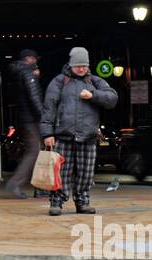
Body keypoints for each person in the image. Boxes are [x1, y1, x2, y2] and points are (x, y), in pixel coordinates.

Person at [41, 47, 118, 216]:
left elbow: (112, 98)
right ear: (71, 64)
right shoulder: (59, 82)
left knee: (86, 172)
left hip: (88, 136)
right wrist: (47, 133)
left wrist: (93, 95)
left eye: (84, 65)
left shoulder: (95, 82)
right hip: (63, 135)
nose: (81, 69)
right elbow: (49, 108)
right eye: (78, 65)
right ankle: (56, 202)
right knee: (61, 172)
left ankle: (83, 201)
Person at [3, 49, 45, 199]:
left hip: (23, 116)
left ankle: (40, 186)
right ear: (29, 59)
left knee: (35, 151)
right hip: (32, 118)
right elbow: (33, 96)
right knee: (34, 151)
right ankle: (16, 182)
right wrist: (43, 117)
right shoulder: (27, 73)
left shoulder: (16, 73)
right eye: (35, 59)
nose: (37, 62)